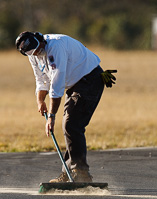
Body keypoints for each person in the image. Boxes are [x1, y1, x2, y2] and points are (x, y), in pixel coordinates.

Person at [15, 31, 117, 182]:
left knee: (71, 124)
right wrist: (40, 101)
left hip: (89, 80)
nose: (38, 52)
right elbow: (41, 80)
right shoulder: (33, 55)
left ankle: (80, 172)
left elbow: (56, 85)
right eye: (33, 52)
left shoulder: (56, 46)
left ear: (39, 38)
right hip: (75, 84)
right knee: (69, 125)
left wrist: (51, 116)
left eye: (38, 48)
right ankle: (70, 172)